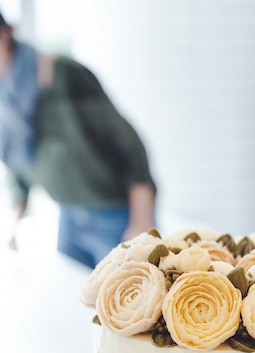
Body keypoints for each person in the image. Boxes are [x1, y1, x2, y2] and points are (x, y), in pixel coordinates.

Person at [0, 11, 156, 268]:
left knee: (126, 301)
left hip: (113, 214)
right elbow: (17, 159)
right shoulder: (6, 97)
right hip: (68, 215)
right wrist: (15, 225)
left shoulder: (64, 75)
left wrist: (141, 224)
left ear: (6, 33)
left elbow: (131, 147)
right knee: (77, 300)